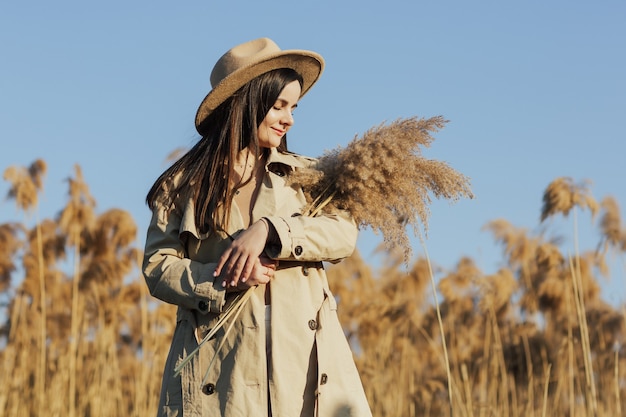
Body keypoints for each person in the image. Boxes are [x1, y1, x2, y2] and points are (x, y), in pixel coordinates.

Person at [142, 37, 372, 417]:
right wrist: (220, 278)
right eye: (278, 105)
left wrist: (272, 230)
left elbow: (343, 234)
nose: (289, 118)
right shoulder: (183, 185)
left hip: (305, 371)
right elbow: (156, 266)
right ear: (246, 102)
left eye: (294, 107)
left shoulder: (309, 176)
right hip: (218, 373)